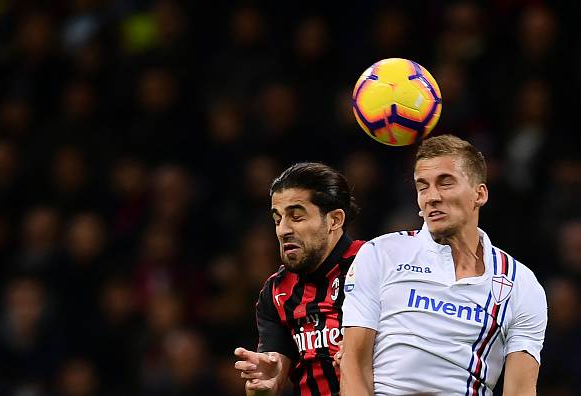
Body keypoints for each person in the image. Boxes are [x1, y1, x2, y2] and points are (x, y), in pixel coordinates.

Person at [340, 134, 547, 395]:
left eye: (445, 183)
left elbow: (520, 391)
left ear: (479, 193)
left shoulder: (520, 283)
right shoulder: (380, 254)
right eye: (422, 186)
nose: (431, 196)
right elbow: (353, 365)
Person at [234, 162, 365, 396]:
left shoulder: (374, 266)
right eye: (277, 219)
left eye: (296, 217)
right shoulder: (276, 291)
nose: (283, 230)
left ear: (334, 220)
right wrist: (265, 385)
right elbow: (273, 372)